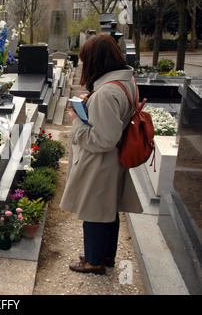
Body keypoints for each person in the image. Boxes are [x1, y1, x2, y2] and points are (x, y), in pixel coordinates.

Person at [60, 33, 143, 275]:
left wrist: (77, 121)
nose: (84, 65)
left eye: (86, 60)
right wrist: (91, 103)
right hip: (113, 162)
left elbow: (103, 140)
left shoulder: (107, 93)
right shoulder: (124, 82)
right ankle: (106, 255)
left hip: (101, 163)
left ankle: (94, 261)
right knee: (108, 210)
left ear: (96, 61)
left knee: (94, 212)